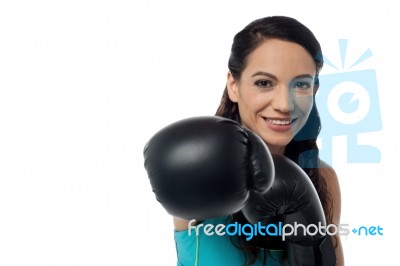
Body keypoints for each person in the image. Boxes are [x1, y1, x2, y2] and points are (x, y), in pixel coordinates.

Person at [172, 16, 344, 265]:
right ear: (234, 85)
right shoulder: (200, 170)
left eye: (301, 84)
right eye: (264, 83)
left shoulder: (322, 178)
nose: (285, 104)